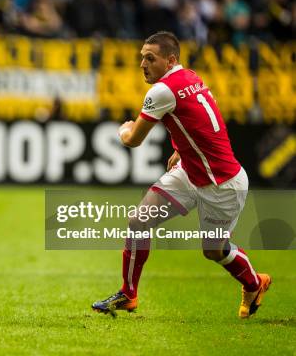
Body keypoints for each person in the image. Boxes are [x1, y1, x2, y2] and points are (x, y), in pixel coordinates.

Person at [92, 31, 271, 319]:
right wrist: (181, 148)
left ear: (170, 60)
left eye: (150, 58)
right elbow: (198, 118)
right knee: (139, 221)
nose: (143, 64)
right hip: (189, 171)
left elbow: (134, 140)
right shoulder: (189, 77)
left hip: (222, 185)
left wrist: (122, 129)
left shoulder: (161, 91)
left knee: (214, 250)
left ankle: (255, 283)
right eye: (141, 58)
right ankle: (128, 294)